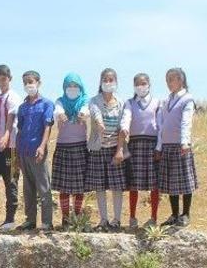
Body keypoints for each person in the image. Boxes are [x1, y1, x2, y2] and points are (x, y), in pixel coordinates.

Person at [86, 68, 127, 232]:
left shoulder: (121, 103)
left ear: (116, 82)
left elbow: (122, 126)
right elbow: (95, 113)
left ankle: (116, 220)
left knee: (117, 187)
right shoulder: (94, 100)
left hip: (114, 149)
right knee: (100, 186)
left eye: (111, 80)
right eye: (105, 79)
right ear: (100, 82)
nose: (108, 83)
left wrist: (119, 150)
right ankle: (103, 220)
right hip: (98, 149)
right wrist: (99, 122)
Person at [156, 67, 197, 227]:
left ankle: (185, 214)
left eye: (171, 79)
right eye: (167, 80)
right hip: (167, 146)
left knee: (185, 181)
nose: (168, 83)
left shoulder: (187, 99)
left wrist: (185, 142)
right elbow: (161, 125)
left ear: (180, 80)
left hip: (181, 146)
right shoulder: (167, 101)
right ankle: (174, 214)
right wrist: (159, 146)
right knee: (172, 183)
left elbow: (186, 122)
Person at [120, 73, 160, 229]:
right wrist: (124, 127)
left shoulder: (157, 102)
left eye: (143, 83)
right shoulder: (130, 103)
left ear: (149, 84)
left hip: (152, 145)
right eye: (137, 84)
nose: (140, 86)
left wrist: (159, 147)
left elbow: (161, 125)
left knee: (154, 184)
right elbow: (127, 117)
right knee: (133, 184)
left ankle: (154, 217)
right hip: (135, 144)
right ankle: (132, 218)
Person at [15, 70, 54, 232]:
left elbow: (48, 126)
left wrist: (42, 146)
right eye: (25, 82)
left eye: (31, 81)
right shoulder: (22, 107)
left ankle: (47, 222)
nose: (28, 85)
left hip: (38, 151)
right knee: (28, 188)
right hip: (24, 150)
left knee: (43, 187)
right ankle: (30, 220)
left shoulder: (47, 104)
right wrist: (17, 153)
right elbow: (20, 129)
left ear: (38, 83)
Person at [51, 73, 90, 229]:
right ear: (64, 88)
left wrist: (83, 114)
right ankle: (66, 217)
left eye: (75, 86)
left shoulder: (85, 101)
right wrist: (60, 114)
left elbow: (86, 110)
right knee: (64, 187)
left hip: (80, 147)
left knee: (79, 187)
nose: (72, 89)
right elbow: (57, 111)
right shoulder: (60, 101)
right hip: (63, 148)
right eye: (69, 86)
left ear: (80, 88)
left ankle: (77, 216)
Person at [0, 64, 22, 231]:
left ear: (9, 78)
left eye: (3, 79)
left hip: (10, 146)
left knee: (11, 181)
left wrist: (6, 136)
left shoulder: (12, 97)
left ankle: (10, 218)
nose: (0, 82)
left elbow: (11, 118)